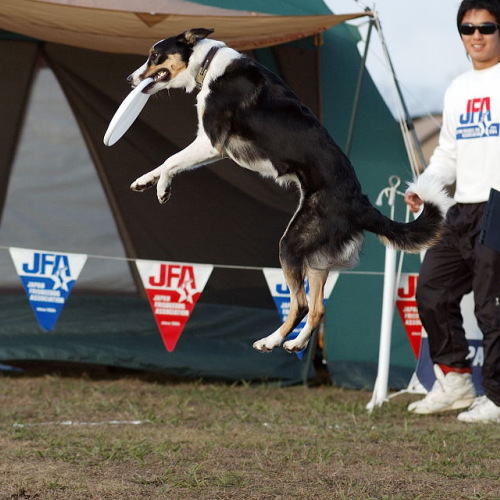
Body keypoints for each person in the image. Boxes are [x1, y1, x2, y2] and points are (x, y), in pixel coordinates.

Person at [405, 0, 500, 423]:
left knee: (490, 307)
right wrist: (425, 188)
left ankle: (496, 398)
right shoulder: (459, 87)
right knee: (432, 291)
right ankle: (455, 381)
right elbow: (448, 154)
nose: (476, 35)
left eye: (486, 26)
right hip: (463, 207)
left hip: (499, 205)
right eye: (467, 27)